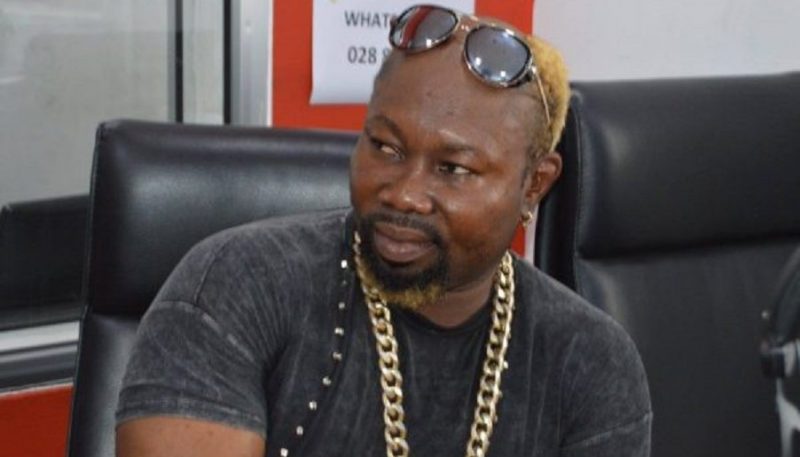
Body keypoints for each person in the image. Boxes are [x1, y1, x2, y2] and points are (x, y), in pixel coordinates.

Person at [115, 5, 651, 457]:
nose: (403, 193)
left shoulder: (589, 359)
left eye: (453, 168)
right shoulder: (236, 288)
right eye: (385, 148)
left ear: (534, 185)